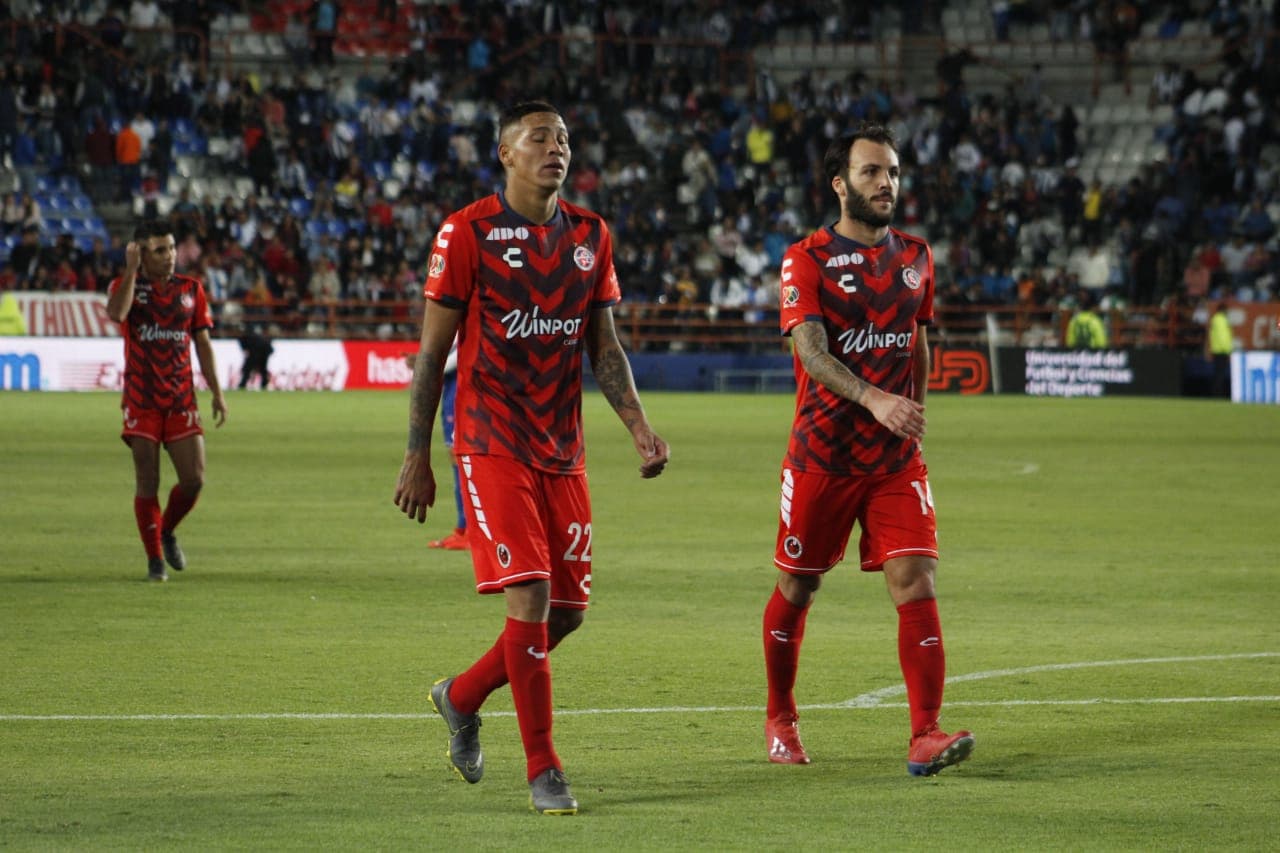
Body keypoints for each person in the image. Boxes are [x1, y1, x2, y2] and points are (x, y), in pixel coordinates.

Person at [393, 101, 669, 815]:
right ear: (506, 154)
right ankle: (545, 768)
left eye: (565, 138)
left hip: (562, 449)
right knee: (531, 596)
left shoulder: (590, 235)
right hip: (489, 442)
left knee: (568, 613)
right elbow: (432, 354)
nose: (557, 148)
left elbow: (603, 348)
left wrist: (639, 428)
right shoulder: (467, 232)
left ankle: (458, 695)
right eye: (539, 137)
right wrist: (417, 453)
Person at [760, 123, 974, 777]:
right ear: (840, 183)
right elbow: (811, 352)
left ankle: (925, 734)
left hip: (892, 462)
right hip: (822, 454)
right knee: (797, 586)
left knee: (916, 577)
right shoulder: (807, 258)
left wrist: (916, 405)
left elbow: (916, 336)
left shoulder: (916, 256)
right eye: (872, 171)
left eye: (893, 172)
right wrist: (876, 398)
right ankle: (780, 716)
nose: (886, 183)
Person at [106, 221, 228, 582]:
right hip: (141, 399)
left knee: (194, 480)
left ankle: (166, 529)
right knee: (148, 481)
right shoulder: (126, 287)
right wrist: (131, 271)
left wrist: (217, 392)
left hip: (180, 399)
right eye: (160, 250)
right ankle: (155, 561)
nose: (170, 256)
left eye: (172, 248)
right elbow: (116, 314)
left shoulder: (191, 289)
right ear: (140, 253)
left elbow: (203, 345)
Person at [1206, 301, 1233, 398]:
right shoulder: (1220, 320)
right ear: (1223, 310)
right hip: (1221, 350)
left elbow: (1214, 335)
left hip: (1218, 349)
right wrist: (1228, 350)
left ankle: (1216, 393)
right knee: (1219, 374)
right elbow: (1222, 337)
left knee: (1218, 374)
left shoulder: (1217, 319)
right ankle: (1217, 394)